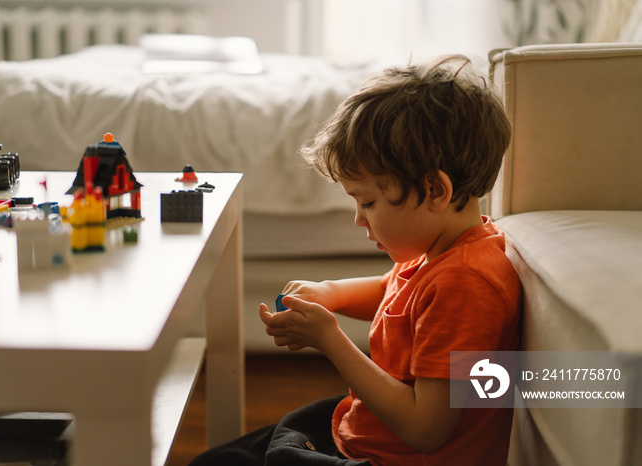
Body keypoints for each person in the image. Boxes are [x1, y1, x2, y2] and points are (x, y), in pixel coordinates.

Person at [189, 55, 521, 466]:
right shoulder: (442, 252)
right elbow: (392, 291)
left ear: (435, 190)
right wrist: (330, 294)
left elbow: (425, 429)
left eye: (368, 201)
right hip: (369, 439)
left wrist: (330, 339)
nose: (359, 218)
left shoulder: (465, 283)